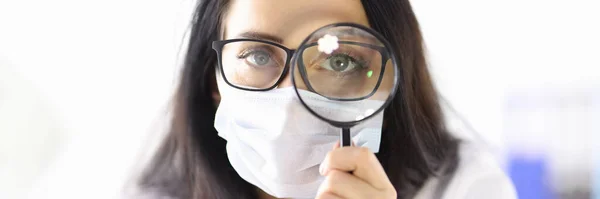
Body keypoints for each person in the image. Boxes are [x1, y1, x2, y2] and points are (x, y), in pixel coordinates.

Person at [135, 0, 517, 198]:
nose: (290, 98)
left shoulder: (468, 189)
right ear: (212, 79)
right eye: (258, 55)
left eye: (339, 59)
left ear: (394, 77)